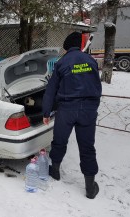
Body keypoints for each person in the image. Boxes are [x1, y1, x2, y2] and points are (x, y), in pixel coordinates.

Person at [42, 32, 102, 199]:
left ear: (66, 47)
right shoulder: (91, 61)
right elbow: (96, 86)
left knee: (59, 141)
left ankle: (55, 171)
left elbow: (51, 90)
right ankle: (90, 188)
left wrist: (46, 112)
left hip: (66, 110)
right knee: (87, 147)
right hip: (88, 110)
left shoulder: (62, 63)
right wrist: (92, 105)